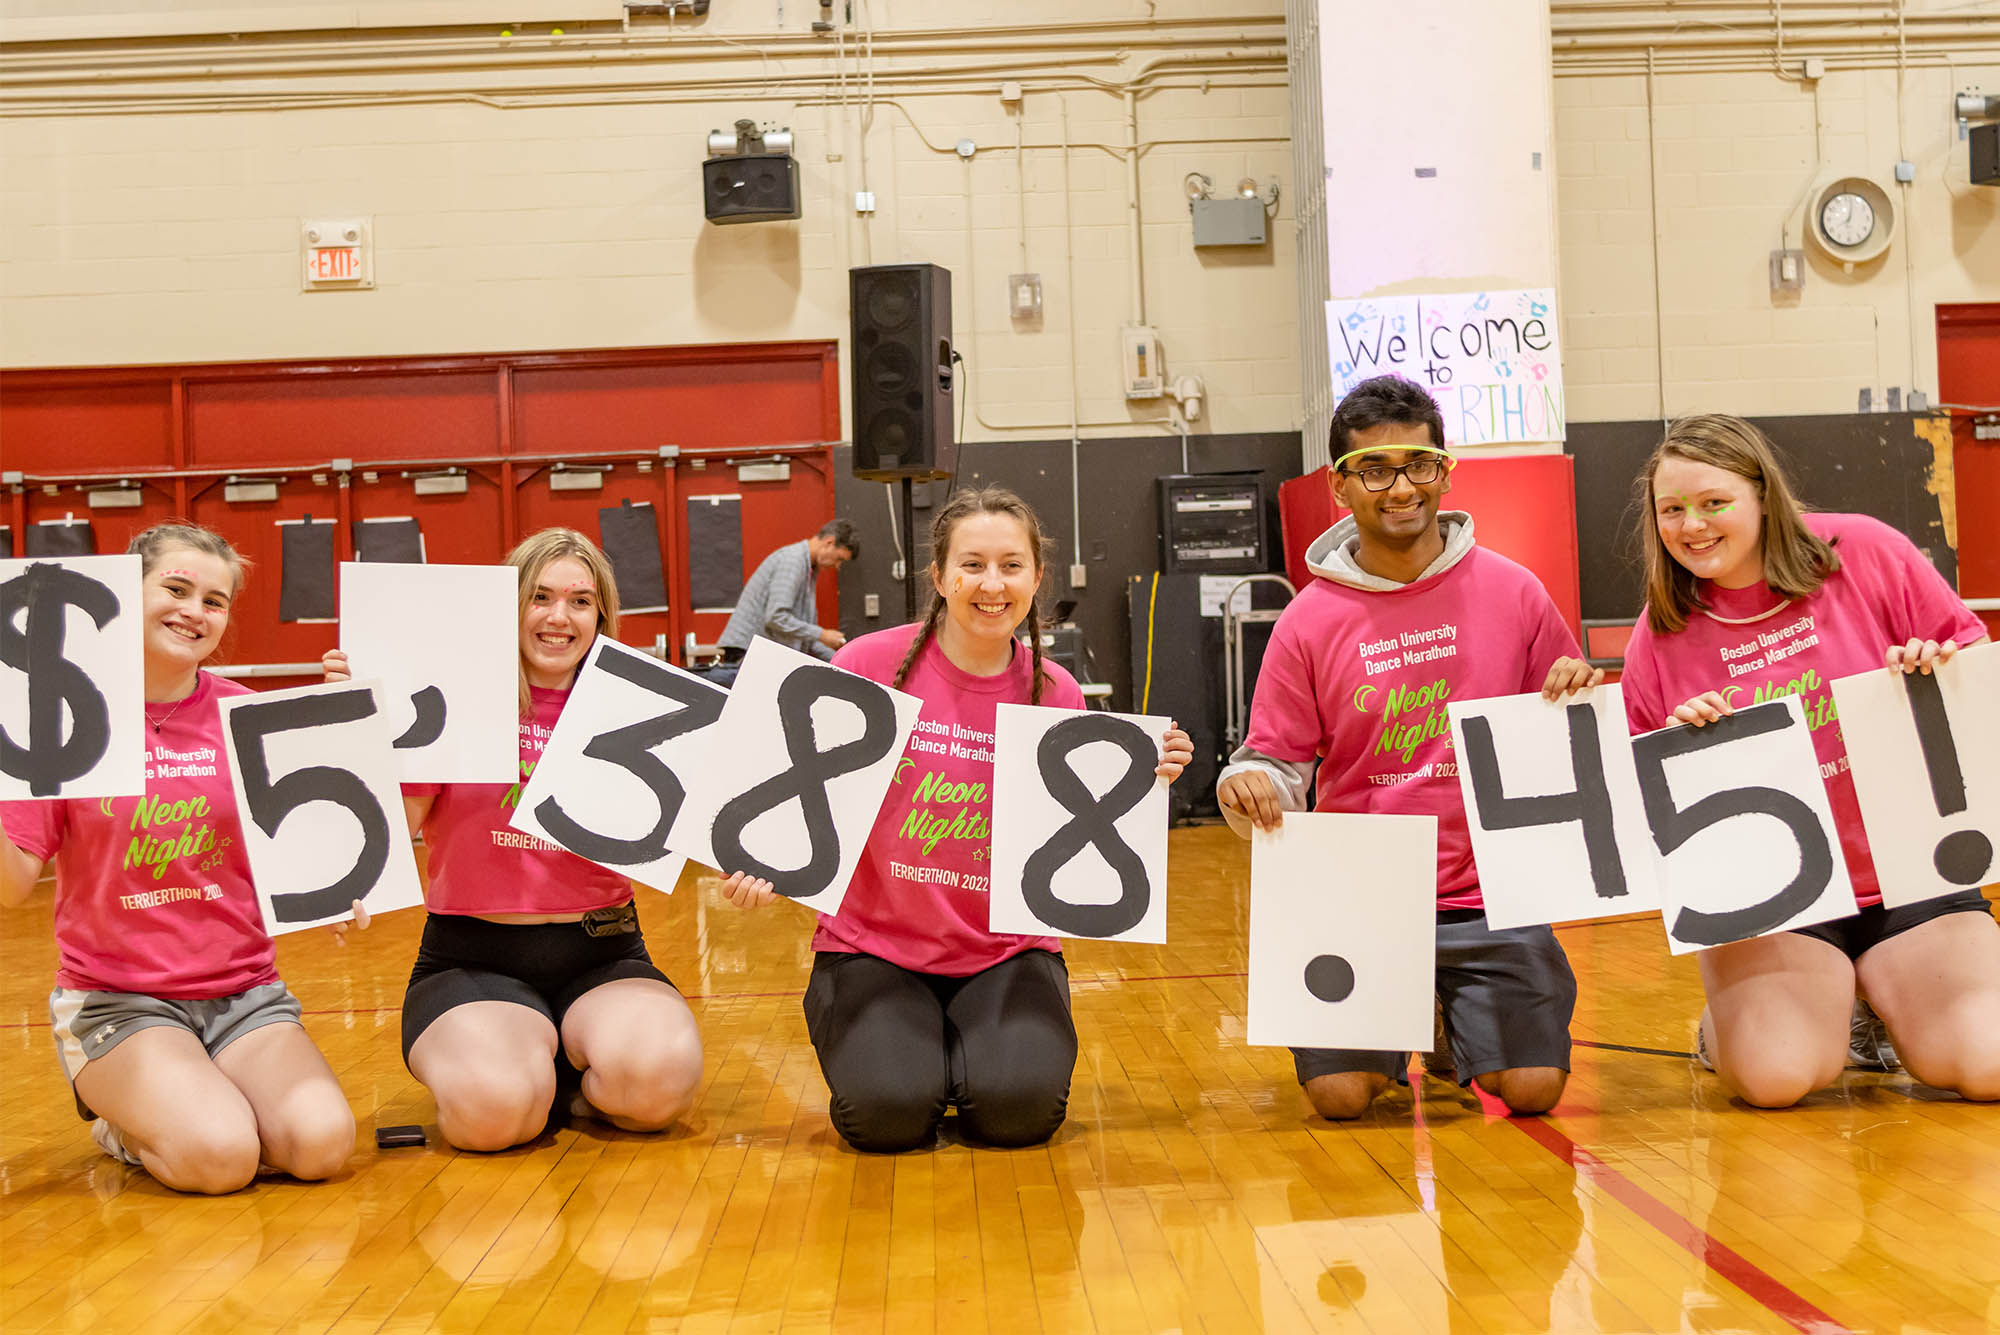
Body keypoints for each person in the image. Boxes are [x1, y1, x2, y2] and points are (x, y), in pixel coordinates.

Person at [723, 487, 1191, 1152]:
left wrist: (1151, 765)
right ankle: (920, 1056)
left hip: (1006, 952)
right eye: (971, 565)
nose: (991, 584)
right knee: (886, 1116)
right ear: (939, 576)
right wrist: (760, 863)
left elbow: (1086, 818)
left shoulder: (1056, 690)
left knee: (1018, 1113)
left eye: (1011, 565)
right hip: (873, 949)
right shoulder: (866, 665)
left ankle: (965, 1054)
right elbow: (795, 792)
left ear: (1036, 577)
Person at [1215, 375, 1601, 1122]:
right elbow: (1276, 760)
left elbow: (1559, 741)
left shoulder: (1516, 592)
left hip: (1488, 888)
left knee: (1532, 1090)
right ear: (1341, 484)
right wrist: (1248, 784)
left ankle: (1453, 1022)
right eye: (1376, 469)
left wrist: (1575, 693)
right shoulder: (1307, 620)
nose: (1400, 488)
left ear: (1444, 471)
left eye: (1419, 464)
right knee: (1339, 1099)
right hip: (1360, 891)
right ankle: (1413, 1014)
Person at [1618, 413, 2000, 1107]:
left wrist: (1933, 664)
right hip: (1776, 900)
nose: (1692, 525)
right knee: (1775, 1079)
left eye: (1713, 503)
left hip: (1908, 869)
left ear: (1763, 495)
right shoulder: (1661, 628)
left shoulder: (1865, 550)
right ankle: (1723, 1029)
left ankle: (1875, 1005)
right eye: (1672, 509)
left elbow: (1973, 663)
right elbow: (1643, 803)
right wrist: (1679, 746)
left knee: (1988, 1063)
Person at [0, 522, 355, 1193]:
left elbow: (308, 853)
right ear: (126, 592)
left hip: (243, 993)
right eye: (176, 587)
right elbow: (11, 883)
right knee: (219, 1157)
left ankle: (196, 1086)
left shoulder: (247, 717)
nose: (195, 610)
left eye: (214, 600)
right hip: (118, 1000)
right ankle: (122, 1120)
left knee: (321, 1144)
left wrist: (340, 889)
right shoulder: (64, 717)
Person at [325, 528, 705, 1150]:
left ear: (600, 616)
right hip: (472, 958)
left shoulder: (637, 709)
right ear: (512, 607)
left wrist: (757, 872)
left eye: (581, 601)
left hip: (603, 952)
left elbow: (717, 820)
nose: (560, 617)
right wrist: (356, 722)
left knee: (657, 1088)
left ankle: (564, 1079)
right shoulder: (450, 699)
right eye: (540, 597)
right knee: (495, 1117)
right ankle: (518, 1070)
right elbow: (390, 828)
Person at [711, 519, 857, 677]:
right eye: (840, 559)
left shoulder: (808, 568)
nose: (837, 566)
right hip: (746, 654)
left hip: (756, 654)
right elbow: (776, 617)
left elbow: (806, 638)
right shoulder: (793, 561)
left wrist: (840, 661)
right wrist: (822, 634)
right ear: (829, 542)